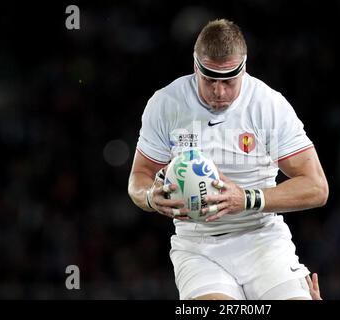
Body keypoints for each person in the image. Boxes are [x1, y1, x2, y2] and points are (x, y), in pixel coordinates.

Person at [128, 19, 328, 300]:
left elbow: (317, 188)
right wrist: (150, 196)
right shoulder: (166, 104)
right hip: (198, 245)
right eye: (210, 80)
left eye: (228, 81)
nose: (219, 92)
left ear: (243, 69)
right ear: (195, 67)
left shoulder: (269, 105)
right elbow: (139, 177)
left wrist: (245, 198)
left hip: (262, 238)